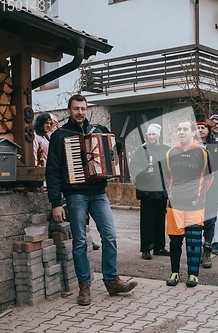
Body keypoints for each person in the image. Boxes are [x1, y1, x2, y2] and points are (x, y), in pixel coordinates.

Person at [46, 94, 138, 306]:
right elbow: (52, 171)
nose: (80, 112)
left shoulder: (98, 132)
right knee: (79, 242)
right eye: (76, 108)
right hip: (75, 193)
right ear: (69, 110)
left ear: (87, 110)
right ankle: (84, 286)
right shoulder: (60, 136)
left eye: (83, 109)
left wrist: (113, 156)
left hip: (98, 193)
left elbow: (112, 154)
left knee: (110, 236)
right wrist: (56, 203)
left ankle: (111, 280)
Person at [164, 120, 213, 288]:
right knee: (175, 242)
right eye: (179, 129)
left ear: (193, 133)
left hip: (195, 205)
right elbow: (167, 177)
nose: (181, 132)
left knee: (193, 242)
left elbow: (209, 179)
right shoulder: (171, 153)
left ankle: (193, 275)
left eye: (185, 129)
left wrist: (196, 194)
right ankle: (174, 273)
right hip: (175, 205)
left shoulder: (203, 153)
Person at [128, 123, 170, 260]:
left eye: (154, 134)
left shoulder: (165, 150)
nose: (152, 137)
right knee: (147, 221)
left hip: (161, 190)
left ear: (158, 135)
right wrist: (144, 172)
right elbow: (133, 166)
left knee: (160, 220)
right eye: (150, 134)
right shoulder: (141, 151)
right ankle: (146, 248)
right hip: (147, 191)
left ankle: (159, 247)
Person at [195, 115, 218, 268]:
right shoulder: (191, 147)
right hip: (194, 190)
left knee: (210, 220)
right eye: (198, 128)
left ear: (208, 130)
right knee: (195, 220)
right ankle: (195, 250)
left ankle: (207, 250)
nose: (200, 130)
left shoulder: (216, 147)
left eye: (203, 128)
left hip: (212, 188)